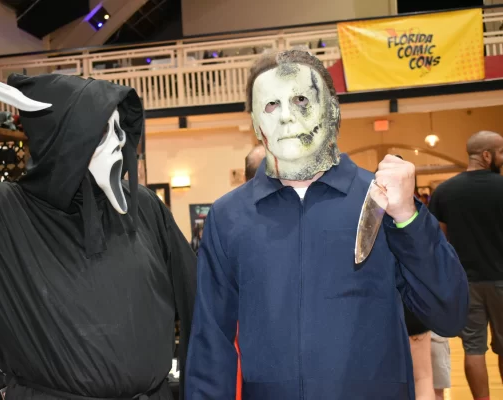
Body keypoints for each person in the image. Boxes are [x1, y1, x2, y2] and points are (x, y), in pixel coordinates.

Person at [0, 49, 197, 399]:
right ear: (65, 140)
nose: (120, 141)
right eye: (103, 130)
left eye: (121, 128)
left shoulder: (142, 208)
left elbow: (200, 305)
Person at [185, 49, 469, 400]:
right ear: (257, 125)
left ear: (333, 111)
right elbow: (211, 344)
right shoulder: (229, 216)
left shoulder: (381, 201)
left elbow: (449, 313)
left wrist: (408, 218)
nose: (286, 116)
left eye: (300, 99)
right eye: (271, 105)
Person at [429, 130, 503, 400]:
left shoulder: (445, 191)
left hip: (466, 283)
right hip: (501, 280)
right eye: (501, 152)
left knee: (473, 349)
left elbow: (438, 241)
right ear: (487, 155)